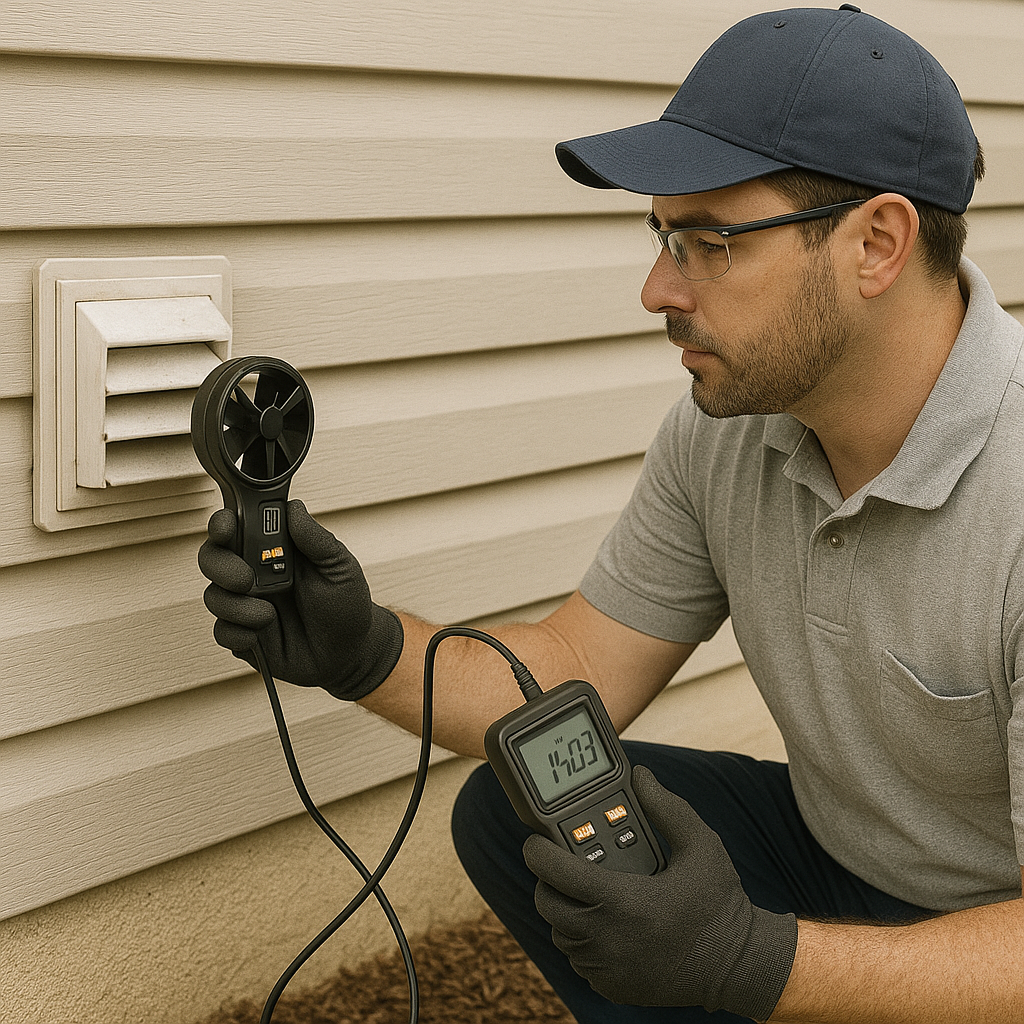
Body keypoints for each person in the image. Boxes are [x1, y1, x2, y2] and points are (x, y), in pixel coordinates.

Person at [199, 5, 1024, 1021]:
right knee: (524, 805)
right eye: (661, 236)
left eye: (708, 241)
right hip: (845, 860)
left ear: (877, 244)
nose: (656, 289)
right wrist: (361, 650)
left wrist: (754, 959)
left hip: (1001, 932)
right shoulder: (732, 433)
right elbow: (573, 668)